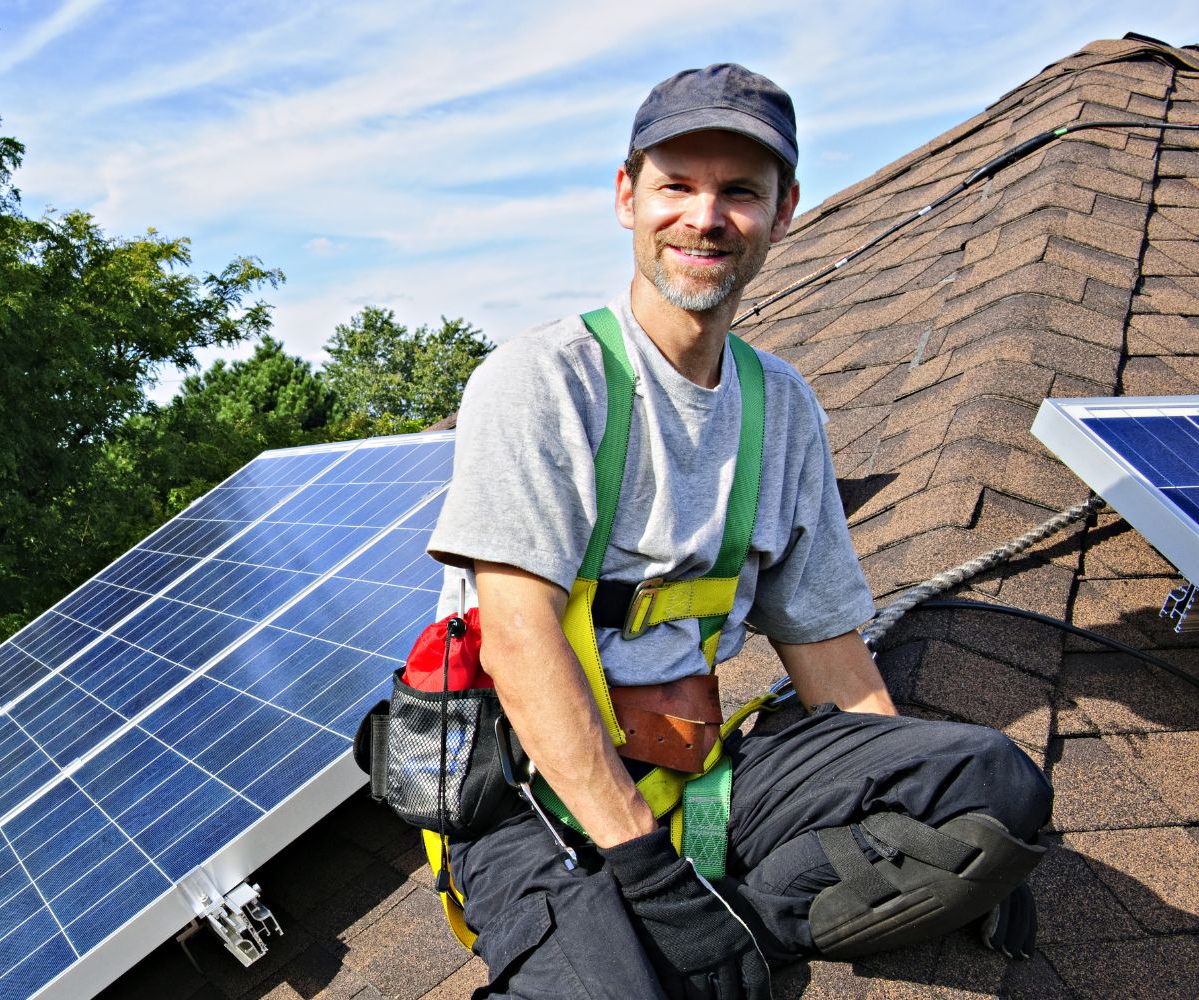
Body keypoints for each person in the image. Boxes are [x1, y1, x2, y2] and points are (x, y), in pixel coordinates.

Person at [424, 64, 1051, 999]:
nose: (705, 217)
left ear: (784, 210)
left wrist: (944, 844)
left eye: (740, 192)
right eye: (677, 185)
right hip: (529, 796)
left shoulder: (782, 406)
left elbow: (830, 652)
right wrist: (645, 869)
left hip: (699, 773)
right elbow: (517, 643)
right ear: (627, 196)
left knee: (994, 784)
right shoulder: (545, 379)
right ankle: (640, 940)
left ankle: (720, 933)